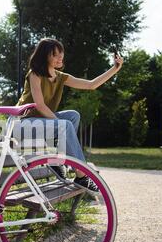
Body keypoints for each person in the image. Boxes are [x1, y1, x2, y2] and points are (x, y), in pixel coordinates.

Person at [15, 38, 123, 193]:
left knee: (73, 115)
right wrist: (59, 124)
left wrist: (115, 69)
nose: (60, 57)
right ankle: (81, 174)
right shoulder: (35, 74)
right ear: (45, 56)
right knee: (64, 124)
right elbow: (39, 105)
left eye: (61, 53)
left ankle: (58, 159)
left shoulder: (60, 77)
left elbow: (90, 85)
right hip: (23, 124)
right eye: (55, 54)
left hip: (43, 122)